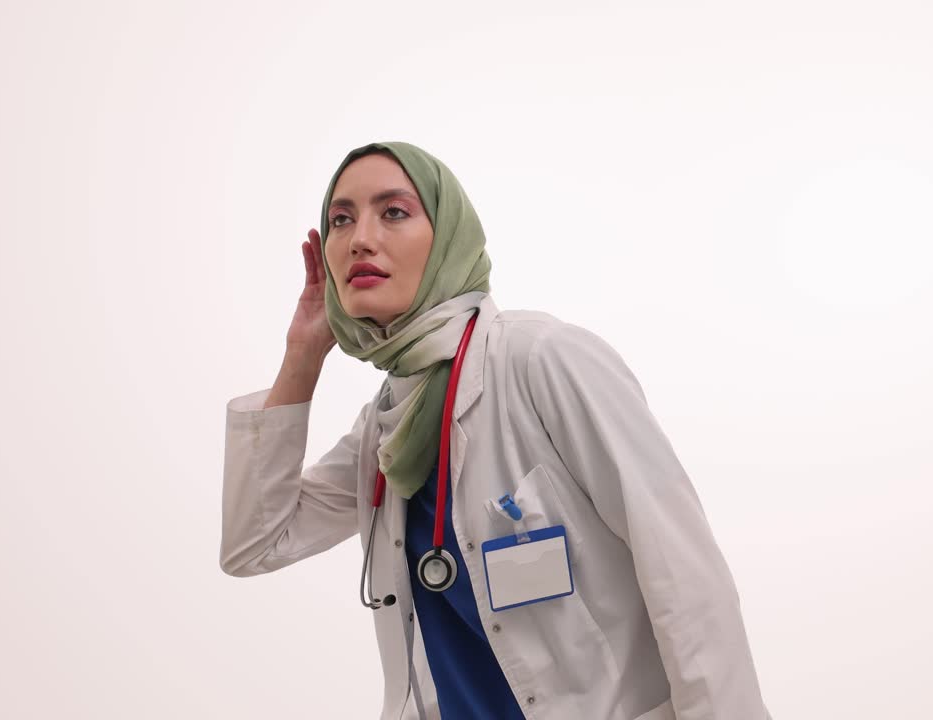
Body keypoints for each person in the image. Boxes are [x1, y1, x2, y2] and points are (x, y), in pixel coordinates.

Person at [220, 141, 771, 720]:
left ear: (448, 238)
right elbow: (257, 543)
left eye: (394, 212)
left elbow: (684, 575)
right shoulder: (386, 423)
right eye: (340, 219)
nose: (360, 237)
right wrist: (302, 356)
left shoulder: (544, 361)